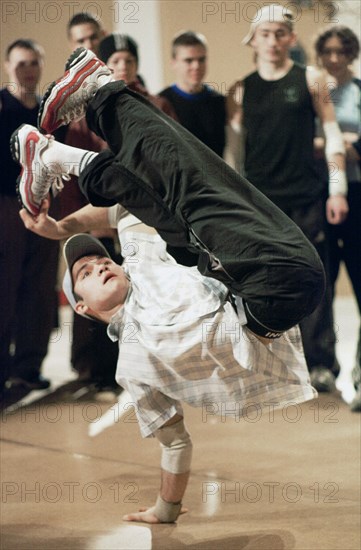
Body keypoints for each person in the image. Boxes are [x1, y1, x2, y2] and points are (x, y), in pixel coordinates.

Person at [20, 196, 319, 524]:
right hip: (271, 316)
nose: (100, 266)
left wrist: (61, 227)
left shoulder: (141, 265)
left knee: (151, 162)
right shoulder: (133, 369)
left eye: (103, 260)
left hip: (260, 264)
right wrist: (167, 509)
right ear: (82, 307)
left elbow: (124, 207)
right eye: (85, 273)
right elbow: (175, 442)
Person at [227, 4, 348, 392]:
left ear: (290, 39)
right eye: (265, 33)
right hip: (263, 206)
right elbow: (234, 156)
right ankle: (271, 366)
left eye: (280, 33)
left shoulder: (311, 78)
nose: (273, 40)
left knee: (315, 281)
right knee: (266, 285)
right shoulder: (241, 89)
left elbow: (332, 136)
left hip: (308, 199)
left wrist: (337, 188)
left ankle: (321, 364)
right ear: (254, 40)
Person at [62, 13, 121, 391]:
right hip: (84, 209)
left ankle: (122, 372)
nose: (87, 46)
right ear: (72, 45)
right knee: (88, 289)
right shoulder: (65, 101)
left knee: (119, 289)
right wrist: (75, 219)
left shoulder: (121, 88)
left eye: (93, 39)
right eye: (79, 40)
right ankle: (89, 373)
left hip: (124, 208)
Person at [0, 39, 59, 393]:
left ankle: (28, 368)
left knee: (39, 289)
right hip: (5, 205)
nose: (28, 70)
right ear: (8, 67)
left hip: (40, 205)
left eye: (34, 63)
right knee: (4, 289)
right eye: (21, 64)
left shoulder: (47, 112)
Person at [314, 26, 361, 412]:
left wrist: (340, 146)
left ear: (351, 53)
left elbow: (349, 147)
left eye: (341, 50)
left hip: (358, 197)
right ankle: (323, 367)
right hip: (321, 197)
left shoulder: (359, 91)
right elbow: (306, 142)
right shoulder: (316, 91)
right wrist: (336, 145)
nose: (334, 57)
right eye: (327, 50)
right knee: (322, 284)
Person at [159, 30, 226, 157]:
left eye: (201, 59)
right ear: (174, 63)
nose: (196, 66)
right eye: (188, 60)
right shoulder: (161, 103)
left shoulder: (220, 102)